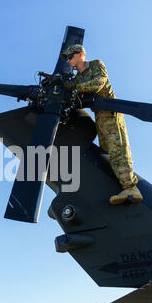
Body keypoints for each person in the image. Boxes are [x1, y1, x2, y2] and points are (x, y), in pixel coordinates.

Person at [60, 44, 143, 205]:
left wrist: (76, 87)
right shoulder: (76, 79)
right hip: (99, 115)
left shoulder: (96, 65)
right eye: (67, 58)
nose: (68, 60)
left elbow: (99, 82)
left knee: (117, 148)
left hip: (111, 110)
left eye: (71, 57)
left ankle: (131, 187)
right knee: (106, 152)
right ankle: (119, 185)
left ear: (81, 54)